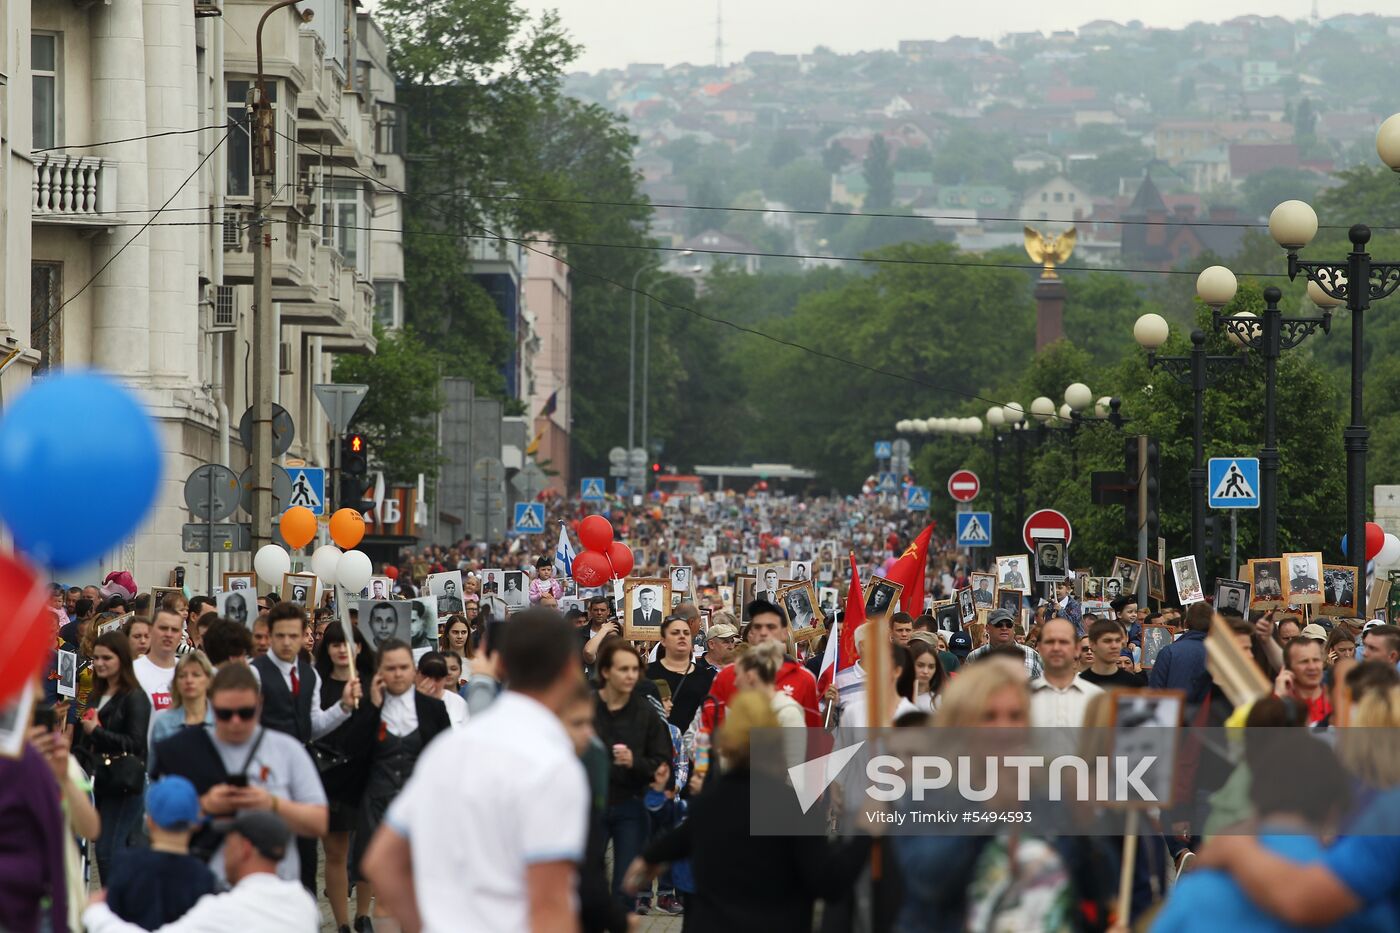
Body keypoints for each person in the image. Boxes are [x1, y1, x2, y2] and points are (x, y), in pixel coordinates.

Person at [361, 610, 589, 933]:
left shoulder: (448, 749)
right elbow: (550, 906)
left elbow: (382, 861)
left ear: (499, 665)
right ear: (570, 668)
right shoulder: (552, 763)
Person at [623, 691, 871, 931]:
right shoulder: (793, 807)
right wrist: (864, 831)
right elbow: (828, 882)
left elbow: (680, 838)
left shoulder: (711, 801)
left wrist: (649, 858)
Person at [149, 664, 328, 883]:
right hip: (206, 888)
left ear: (259, 704)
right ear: (211, 705)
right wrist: (205, 807)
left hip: (274, 886)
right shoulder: (181, 750)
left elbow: (319, 822)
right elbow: (156, 826)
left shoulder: (287, 749)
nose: (235, 722)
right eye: (225, 714)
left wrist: (272, 804)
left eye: (245, 713)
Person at [348, 640, 451, 924]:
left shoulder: (433, 709)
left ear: (414, 671)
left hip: (422, 808)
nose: (397, 674)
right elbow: (354, 754)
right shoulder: (368, 708)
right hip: (378, 805)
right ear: (380, 671)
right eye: (390, 668)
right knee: (384, 891)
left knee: (421, 889)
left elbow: (446, 761)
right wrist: (372, 707)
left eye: (404, 667)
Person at [82, 811, 319, 933]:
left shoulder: (224, 909)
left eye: (229, 842)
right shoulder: (304, 903)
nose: (224, 851)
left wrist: (96, 912)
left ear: (245, 848)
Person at [593, 637, 673, 914]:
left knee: (625, 886)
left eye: (634, 670)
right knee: (589, 882)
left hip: (631, 803)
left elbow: (661, 759)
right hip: (594, 804)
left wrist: (635, 762)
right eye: (623, 669)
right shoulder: (588, 707)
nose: (630, 676)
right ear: (605, 672)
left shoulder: (645, 712)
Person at [74, 631, 152, 882]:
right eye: (96, 658)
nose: (99, 663)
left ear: (121, 659)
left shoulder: (135, 697)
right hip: (101, 780)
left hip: (124, 782)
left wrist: (96, 731)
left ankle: (113, 905)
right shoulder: (98, 693)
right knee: (113, 847)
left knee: (109, 850)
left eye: (106, 658)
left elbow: (135, 743)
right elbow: (88, 739)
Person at [312, 621, 375, 933]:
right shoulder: (317, 683)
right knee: (335, 852)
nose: (341, 649)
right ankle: (343, 922)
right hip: (330, 777)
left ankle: (363, 915)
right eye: (334, 644)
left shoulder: (370, 682)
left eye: (347, 643)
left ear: (359, 648)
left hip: (365, 775)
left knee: (367, 851)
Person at [102, 776, 218, 930]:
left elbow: (111, 915)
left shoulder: (125, 863)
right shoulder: (203, 876)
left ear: (150, 821)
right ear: (195, 824)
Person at [704, 601, 821, 730]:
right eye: (758, 627)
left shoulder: (805, 679)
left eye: (771, 627)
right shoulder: (727, 675)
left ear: (784, 634)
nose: (763, 633)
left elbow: (812, 737)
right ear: (751, 634)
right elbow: (707, 729)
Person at [1029, 617, 1103, 726]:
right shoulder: (1022, 697)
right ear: (1039, 647)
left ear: (1077, 649)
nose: (1056, 648)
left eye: (1064, 642)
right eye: (1049, 642)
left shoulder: (1096, 697)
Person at [647, 615, 716, 732]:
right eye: (675, 633)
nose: (682, 636)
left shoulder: (704, 676)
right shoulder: (647, 673)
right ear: (663, 641)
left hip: (693, 744)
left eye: (686, 633)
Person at [149, 651, 215, 754]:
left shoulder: (222, 721)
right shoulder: (163, 724)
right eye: (182, 676)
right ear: (175, 682)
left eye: (196, 675)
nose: (189, 680)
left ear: (208, 680)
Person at [1148, 602, 1213, 703]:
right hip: (1211, 717)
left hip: (1173, 714)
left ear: (1185, 623)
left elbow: (1155, 693)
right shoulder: (1221, 656)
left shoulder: (1168, 652)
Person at [964, 608, 1043, 678]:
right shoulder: (974, 657)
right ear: (987, 628)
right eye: (999, 624)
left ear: (1014, 628)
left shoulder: (1032, 655)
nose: (1004, 628)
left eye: (1009, 625)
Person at [1274, 636, 1332, 724]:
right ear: (1288, 668)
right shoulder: (1277, 701)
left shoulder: (1337, 699)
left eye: (1316, 660)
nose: (1312, 667)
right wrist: (1278, 699)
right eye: (1304, 661)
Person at [1078, 619, 1147, 689]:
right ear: (1093, 645)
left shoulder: (1135, 683)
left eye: (1118, 640)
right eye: (1107, 641)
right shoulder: (1079, 683)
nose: (1114, 646)